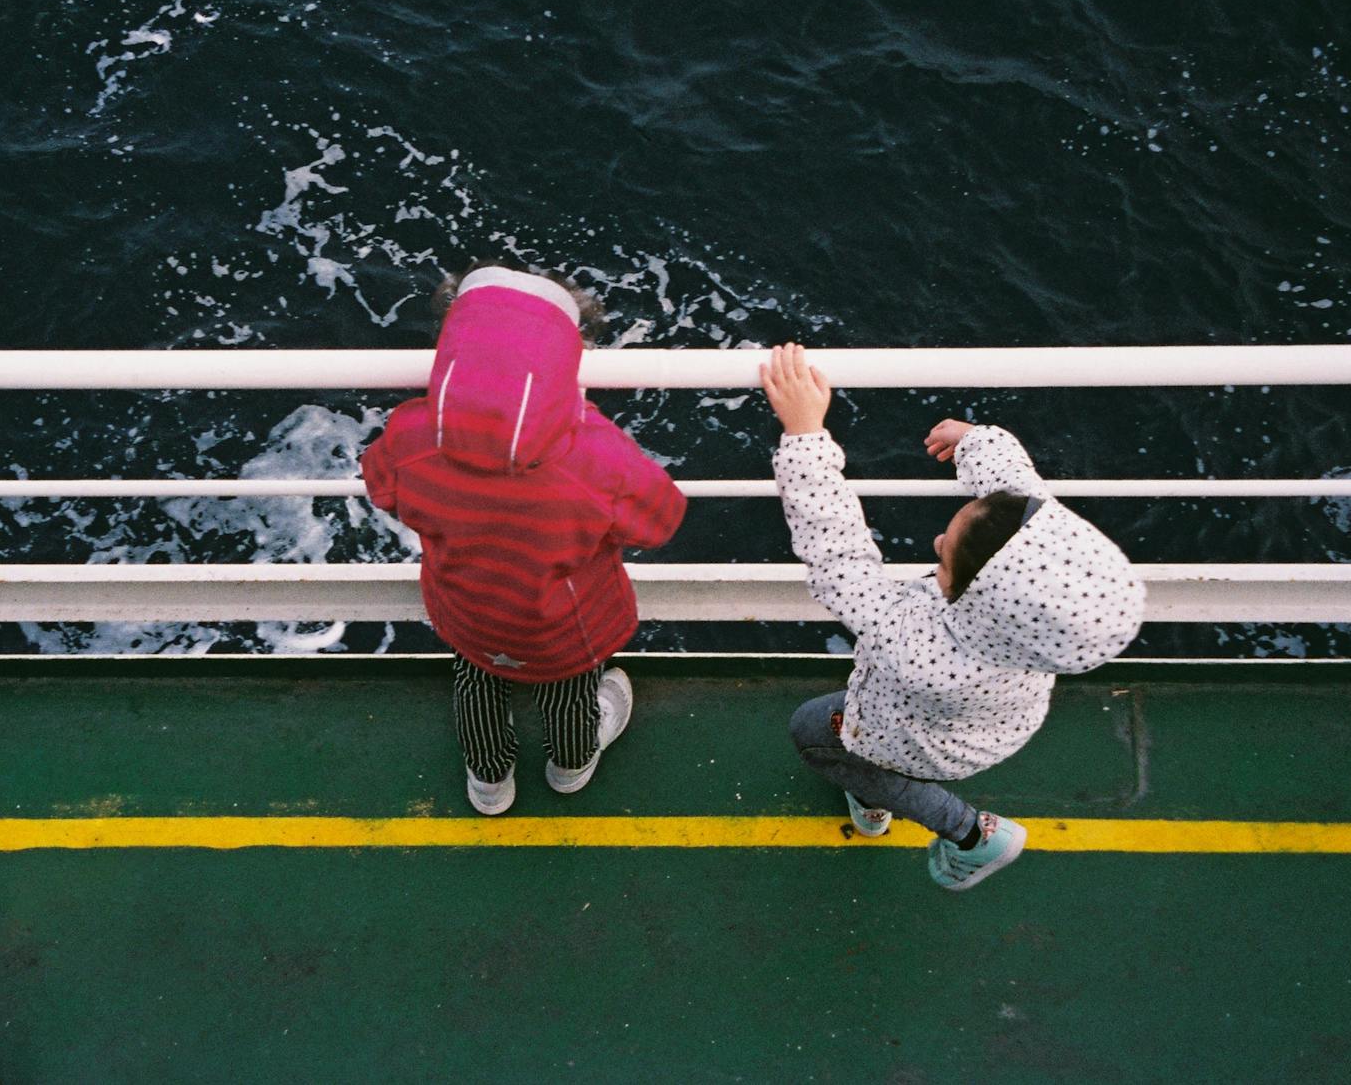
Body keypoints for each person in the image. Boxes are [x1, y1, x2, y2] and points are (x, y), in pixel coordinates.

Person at [758, 343, 1145, 890]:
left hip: (913, 741)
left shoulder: (917, 649)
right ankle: (873, 796)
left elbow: (837, 553)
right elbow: (1017, 493)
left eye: (943, 557)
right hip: (993, 727)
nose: (939, 539)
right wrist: (976, 441)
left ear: (972, 596)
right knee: (850, 750)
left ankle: (968, 834)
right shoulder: (1043, 592)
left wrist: (804, 434)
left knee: (814, 732)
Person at [362, 263, 687, 815]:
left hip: (468, 609)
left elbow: (382, 486)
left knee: (476, 681)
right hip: (561, 624)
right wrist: (587, 425)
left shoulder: (414, 436)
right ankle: (570, 766)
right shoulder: (593, 460)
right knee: (569, 695)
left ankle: (489, 782)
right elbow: (660, 520)